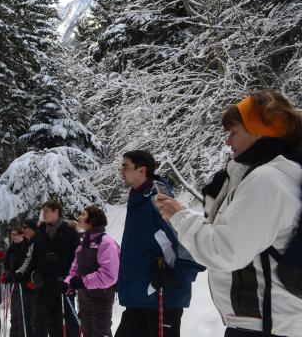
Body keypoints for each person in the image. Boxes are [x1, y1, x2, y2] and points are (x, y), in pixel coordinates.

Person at [156, 90, 302, 337]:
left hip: (267, 327)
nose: (227, 142)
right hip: (270, 323)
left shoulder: (267, 180)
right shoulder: (280, 173)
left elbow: (224, 251)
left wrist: (180, 215)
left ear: (259, 131)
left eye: (234, 133)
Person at [115, 150, 204, 337]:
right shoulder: (138, 199)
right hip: (139, 296)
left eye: (126, 166)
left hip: (161, 296)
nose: (121, 171)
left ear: (142, 170)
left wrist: (175, 276)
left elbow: (189, 239)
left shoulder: (159, 200)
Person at [26, 201, 80, 337]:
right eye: (43, 211)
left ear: (56, 212)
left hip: (65, 281)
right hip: (46, 282)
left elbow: (76, 258)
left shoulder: (70, 232)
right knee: (50, 318)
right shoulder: (40, 233)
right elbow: (35, 257)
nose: (44, 214)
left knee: (69, 318)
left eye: (47, 211)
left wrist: (68, 277)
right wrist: (33, 274)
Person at [65, 205, 119, 337]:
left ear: (93, 219)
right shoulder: (83, 244)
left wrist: (83, 282)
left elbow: (108, 275)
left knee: (100, 333)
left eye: (83, 215)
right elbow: (74, 270)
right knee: (88, 332)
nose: (78, 217)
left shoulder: (106, 242)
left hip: (101, 296)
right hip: (84, 297)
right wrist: (68, 283)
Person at [3, 227, 30, 337]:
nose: (12, 236)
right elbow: (7, 263)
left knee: (22, 309)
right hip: (13, 281)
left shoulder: (26, 246)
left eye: (15, 234)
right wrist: (7, 274)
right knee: (14, 309)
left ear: (21, 235)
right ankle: (14, 333)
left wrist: (18, 274)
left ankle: (22, 333)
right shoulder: (11, 247)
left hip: (23, 281)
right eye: (11, 234)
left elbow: (26, 263)